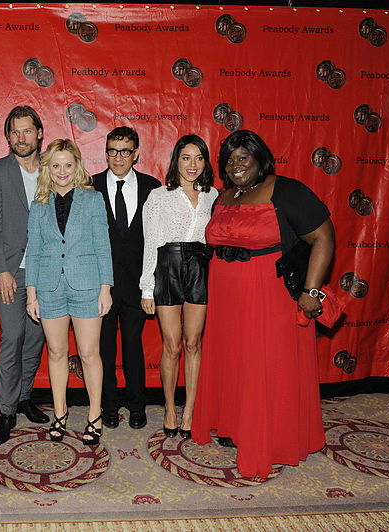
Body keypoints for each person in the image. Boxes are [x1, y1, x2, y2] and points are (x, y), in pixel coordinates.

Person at [192, 129, 334, 478]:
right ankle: (234, 427)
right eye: (229, 159)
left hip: (267, 296)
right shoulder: (224, 196)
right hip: (226, 298)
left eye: (243, 157)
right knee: (235, 363)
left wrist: (312, 291)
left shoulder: (287, 191)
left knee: (264, 367)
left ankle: (269, 440)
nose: (235, 165)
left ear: (260, 158)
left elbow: (324, 237)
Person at [25, 139, 113, 446]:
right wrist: (31, 293)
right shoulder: (39, 205)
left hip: (88, 284)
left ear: (77, 166)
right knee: (57, 353)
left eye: (68, 164)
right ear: (47, 168)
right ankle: (60, 414)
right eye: (56, 165)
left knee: (89, 354)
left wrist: (106, 288)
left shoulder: (92, 199)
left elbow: (103, 245)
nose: (62, 171)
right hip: (49, 287)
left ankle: (95, 414)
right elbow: (33, 250)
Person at [139, 135, 218, 439]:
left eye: (199, 158)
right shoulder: (159, 196)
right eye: (186, 158)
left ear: (205, 162)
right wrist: (147, 287)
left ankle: (190, 411)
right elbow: (150, 243)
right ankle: (170, 408)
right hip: (167, 267)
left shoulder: (214, 196)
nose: (192, 165)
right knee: (171, 345)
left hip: (200, 268)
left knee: (193, 343)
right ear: (176, 161)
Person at [0, 105, 50, 444]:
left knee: (36, 340)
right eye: (15, 132)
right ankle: (6, 410)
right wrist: (1, 272)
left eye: (27, 130)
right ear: (8, 137)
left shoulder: (55, 169)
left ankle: (24, 397)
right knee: (12, 339)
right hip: (11, 271)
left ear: (39, 133)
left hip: (47, 272)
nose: (21, 137)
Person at [93, 126, 161, 430]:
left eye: (124, 151)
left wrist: (151, 283)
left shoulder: (153, 187)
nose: (117, 157)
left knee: (134, 346)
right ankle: (109, 405)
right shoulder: (90, 186)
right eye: (112, 150)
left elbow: (157, 240)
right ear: (106, 152)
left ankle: (137, 405)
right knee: (104, 348)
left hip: (138, 283)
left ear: (135, 154)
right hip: (101, 285)